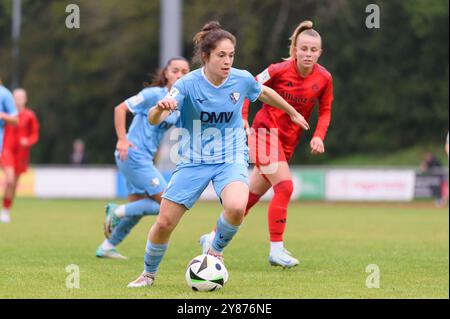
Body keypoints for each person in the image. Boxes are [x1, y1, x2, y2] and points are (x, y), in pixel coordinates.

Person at [127, 21, 309, 287]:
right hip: (193, 159)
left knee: (236, 207)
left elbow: (264, 92)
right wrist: (159, 108)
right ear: (205, 57)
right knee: (165, 222)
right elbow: (155, 119)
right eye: (221, 55)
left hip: (231, 156)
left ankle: (214, 250)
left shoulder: (241, 79)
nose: (227, 61)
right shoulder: (188, 84)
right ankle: (148, 274)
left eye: (231, 55)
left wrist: (292, 112)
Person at [199, 21, 334, 268]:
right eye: (304, 49)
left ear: (320, 53)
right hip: (263, 134)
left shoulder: (324, 78)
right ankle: (276, 249)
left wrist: (319, 135)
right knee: (285, 187)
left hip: (287, 143)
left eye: (313, 50)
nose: (308, 54)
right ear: (295, 49)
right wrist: (242, 119)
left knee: (247, 200)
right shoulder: (277, 70)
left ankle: (211, 238)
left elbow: (325, 111)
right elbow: (248, 87)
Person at [95, 57, 190, 259]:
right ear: (166, 73)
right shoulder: (153, 94)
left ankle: (107, 247)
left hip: (144, 158)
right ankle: (117, 211)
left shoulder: (179, 103)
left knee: (137, 209)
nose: (180, 75)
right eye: (175, 70)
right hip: (132, 154)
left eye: (184, 71)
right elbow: (120, 109)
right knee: (165, 202)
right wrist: (122, 139)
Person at [0, 89, 39, 223]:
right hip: (6, 150)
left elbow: (35, 134)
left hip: (21, 154)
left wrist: (27, 141)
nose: (17, 100)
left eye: (20, 97)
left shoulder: (30, 116)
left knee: (14, 184)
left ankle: (5, 210)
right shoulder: (7, 113)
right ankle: (4, 211)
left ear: (25, 99)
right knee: (10, 179)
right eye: (15, 97)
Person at [0, 78, 19, 223]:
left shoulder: (5, 94)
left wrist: (2, 115)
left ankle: (5, 211)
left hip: (3, 145)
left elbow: (15, 119)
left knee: (11, 179)